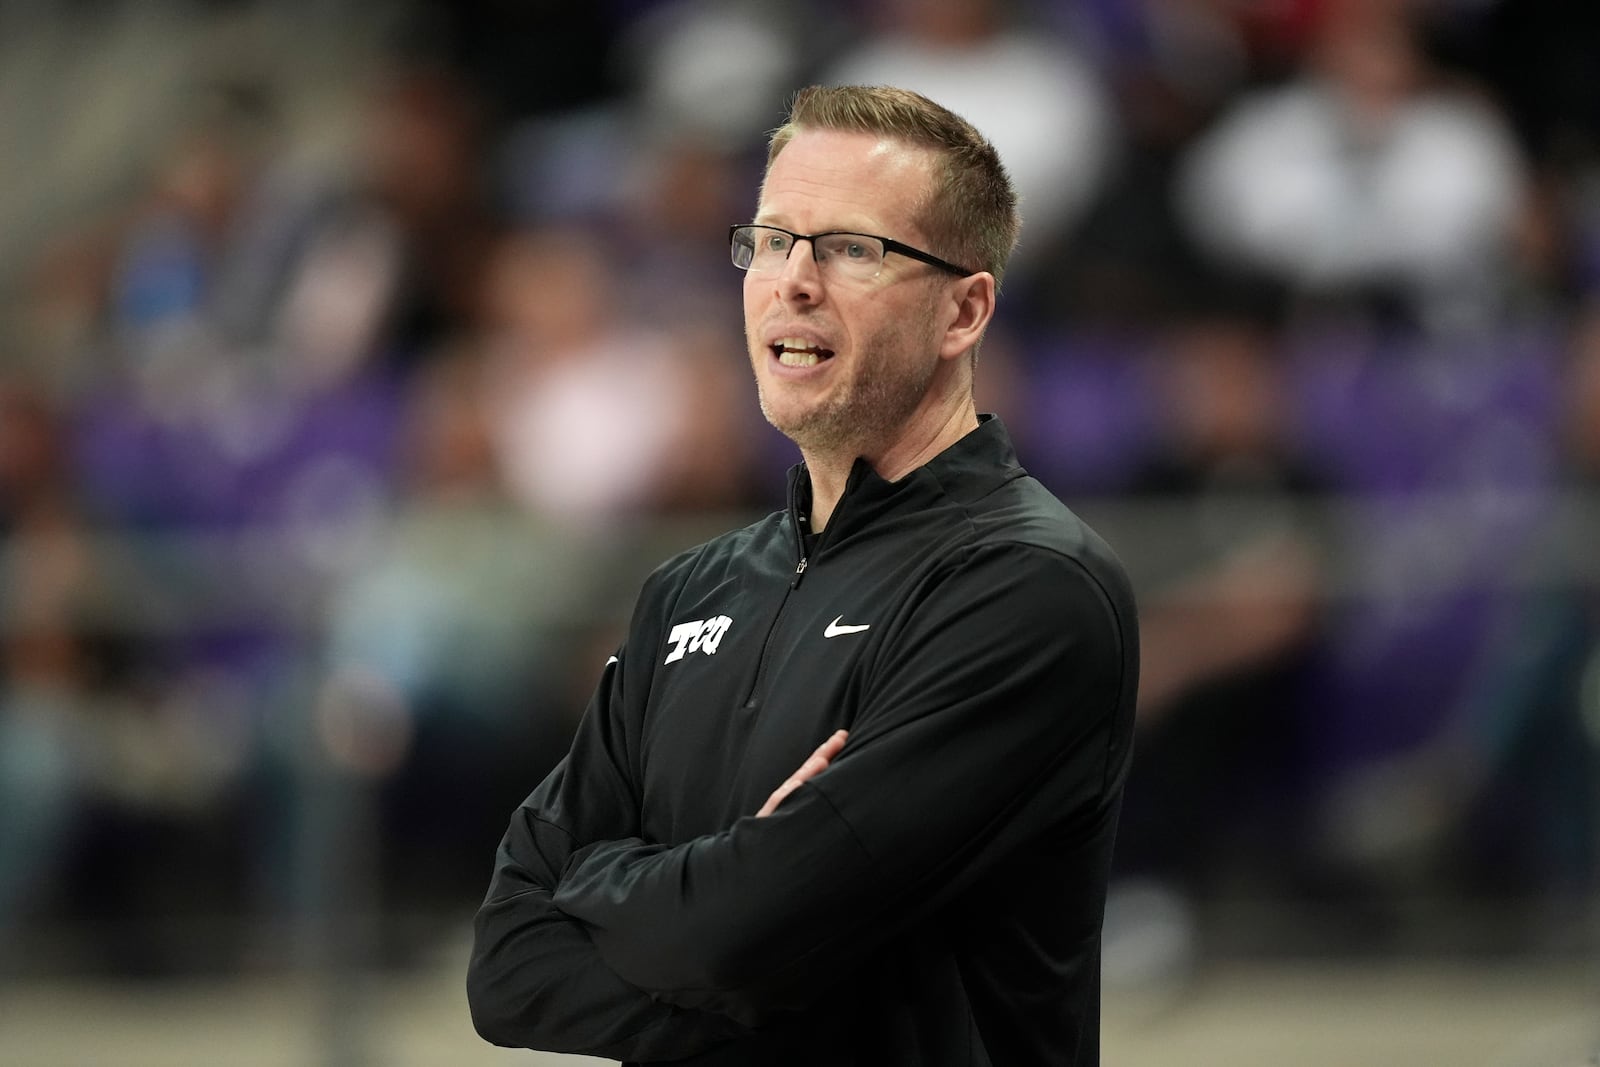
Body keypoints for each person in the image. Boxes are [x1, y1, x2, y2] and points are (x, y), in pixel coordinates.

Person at [467, 85, 1139, 1066]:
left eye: (851, 248)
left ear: (965, 309)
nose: (793, 280)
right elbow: (508, 965)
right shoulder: (688, 591)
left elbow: (741, 936)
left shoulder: (1030, 590)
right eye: (772, 239)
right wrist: (736, 929)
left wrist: (617, 886)